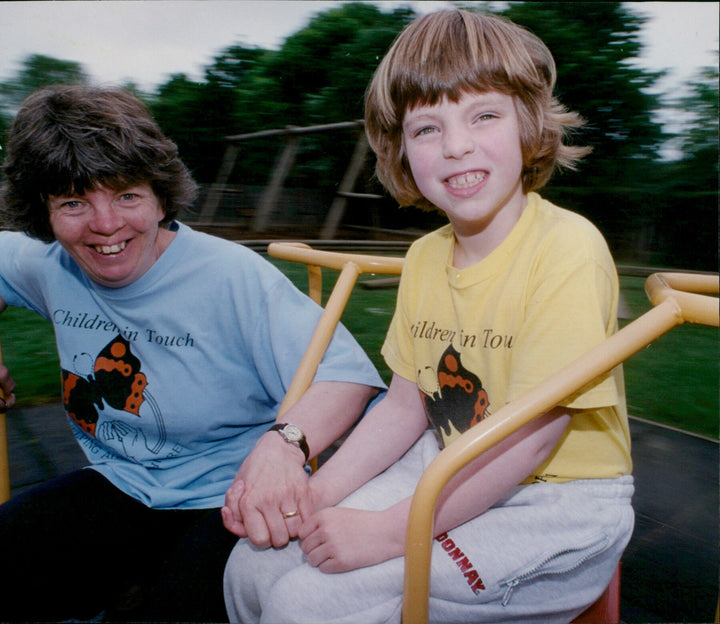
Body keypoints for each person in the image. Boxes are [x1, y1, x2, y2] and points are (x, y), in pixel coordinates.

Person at [223, 8, 634, 623]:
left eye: (484, 115)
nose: (457, 144)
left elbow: (534, 434)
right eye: (426, 128)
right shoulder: (424, 257)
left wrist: (392, 531)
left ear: (528, 124)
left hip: (554, 499)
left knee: (308, 604)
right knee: (251, 566)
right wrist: (322, 493)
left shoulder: (567, 249)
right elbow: (403, 404)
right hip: (449, 461)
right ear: (401, 150)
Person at [0, 84, 384, 623]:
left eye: (126, 195)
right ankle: (130, 580)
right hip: (121, 482)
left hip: (226, 492)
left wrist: (283, 449)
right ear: (42, 213)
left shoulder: (230, 276)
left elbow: (347, 376)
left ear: (160, 196)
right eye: (73, 203)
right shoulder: (50, 259)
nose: (105, 224)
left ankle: (148, 587)